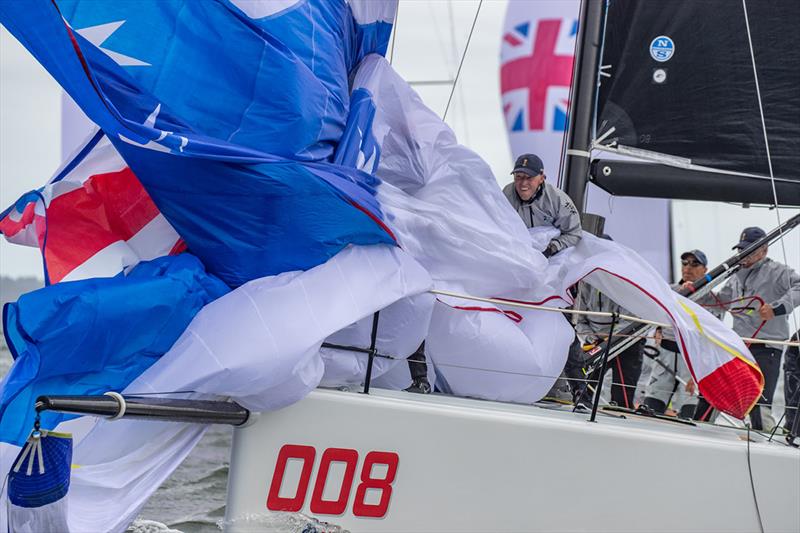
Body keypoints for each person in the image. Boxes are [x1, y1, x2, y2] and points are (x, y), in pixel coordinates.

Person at [714, 227, 800, 430]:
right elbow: (719, 301)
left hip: (766, 348)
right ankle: (700, 430)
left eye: (750, 251)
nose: (743, 256)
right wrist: (691, 293)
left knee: (759, 403)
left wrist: (777, 308)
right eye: (742, 250)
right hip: (737, 347)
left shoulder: (777, 271)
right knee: (715, 392)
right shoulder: (735, 276)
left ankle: (766, 445)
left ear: (764, 251)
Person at [642, 250, 719, 418]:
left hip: (692, 363)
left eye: (694, 264)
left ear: (705, 269)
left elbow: (712, 338)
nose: (688, 268)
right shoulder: (668, 290)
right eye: (685, 263)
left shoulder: (712, 298)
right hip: (665, 357)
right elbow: (652, 313)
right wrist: (657, 328)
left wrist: (698, 375)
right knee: (649, 410)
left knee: (688, 416)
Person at [574, 244, 644, 409]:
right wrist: (592, 338)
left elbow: (629, 320)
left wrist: (607, 340)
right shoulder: (585, 282)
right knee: (582, 390)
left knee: (622, 398)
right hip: (595, 342)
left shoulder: (624, 282)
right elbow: (579, 317)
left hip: (625, 342)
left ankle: (621, 418)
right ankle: (580, 411)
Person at [502, 153, 582, 257]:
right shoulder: (506, 194)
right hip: (516, 253)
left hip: (551, 255)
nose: (523, 183)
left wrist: (552, 248)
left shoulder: (558, 200)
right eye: (519, 177)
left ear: (542, 178)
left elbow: (574, 233)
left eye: (529, 177)